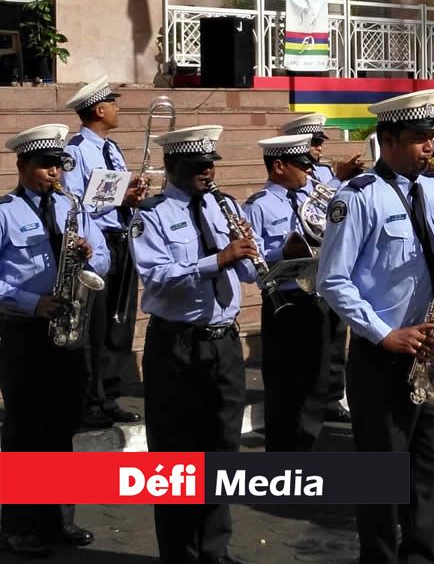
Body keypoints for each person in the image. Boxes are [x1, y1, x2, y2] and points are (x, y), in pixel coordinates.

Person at [316, 90, 434, 564]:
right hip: (384, 354)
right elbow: (333, 280)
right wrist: (384, 333)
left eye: (431, 136)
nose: (430, 146)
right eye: (418, 137)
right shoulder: (357, 198)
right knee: (382, 478)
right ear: (386, 139)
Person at [130, 124, 259, 564]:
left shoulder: (224, 205)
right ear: (171, 166)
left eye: (210, 165)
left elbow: (247, 274)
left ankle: (214, 550)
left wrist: (253, 259)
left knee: (222, 451)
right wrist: (218, 258)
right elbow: (158, 275)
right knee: (175, 456)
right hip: (177, 345)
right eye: (196, 166)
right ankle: (180, 554)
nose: (207, 172)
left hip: (223, 343)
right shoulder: (150, 214)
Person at [0, 124, 110, 558]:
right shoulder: (4, 211)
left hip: (68, 327)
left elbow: (105, 255)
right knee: (26, 431)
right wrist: (32, 303)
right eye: (45, 165)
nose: (54, 174)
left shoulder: (73, 206)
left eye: (58, 166)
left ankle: (59, 518)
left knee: (62, 427)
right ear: (22, 164)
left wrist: (89, 253)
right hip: (25, 332)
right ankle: (20, 524)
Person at [61, 76, 146, 428]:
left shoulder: (112, 148)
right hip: (98, 242)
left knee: (119, 323)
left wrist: (134, 193)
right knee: (94, 326)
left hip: (122, 236)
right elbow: (74, 202)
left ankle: (108, 395)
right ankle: (88, 399)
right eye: (113, 103)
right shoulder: (76, 151)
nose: (118, 107)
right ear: (99, 109)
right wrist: (120, 197)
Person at [243, 133, 335, 452]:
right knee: (284, 383)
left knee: (316, 381)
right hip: (284, 300)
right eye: (301, 166)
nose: (308, 172)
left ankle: (307, 448)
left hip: (316, 296)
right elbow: (250, 259)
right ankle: (282, 455)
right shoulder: (259, 206)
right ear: (279, 166)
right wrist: (282, 253)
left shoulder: (315, 196)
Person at [281, 112, 362, 423]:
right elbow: (313, 208)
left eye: (318, 143)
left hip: (327, 264)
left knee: (335, 335)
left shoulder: (321, 173)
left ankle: (331, 395)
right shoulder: (311, 177)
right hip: (300, 273)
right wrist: (337, 178)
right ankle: (313, 398)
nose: (318, 149)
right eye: (313, 144)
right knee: (310, 346)